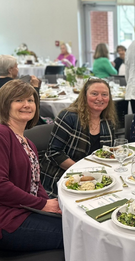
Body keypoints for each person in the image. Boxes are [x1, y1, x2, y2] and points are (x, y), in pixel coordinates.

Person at [0, 79, 63, 251]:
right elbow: (1, 186)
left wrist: (50, 204)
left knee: (73, 223)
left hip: (23, 211)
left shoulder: (27, 142)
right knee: (74, 234)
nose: (26, 105)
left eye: (30, 100)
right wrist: (42, 205)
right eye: (18, 100)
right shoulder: (2, 134)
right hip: (7, 220)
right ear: (5, 105)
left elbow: (35, 184)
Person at [40, 78, 117, 197]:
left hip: (94, 177)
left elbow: (107, 153)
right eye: (94, 94)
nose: (100, 98)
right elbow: (54, 152)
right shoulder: (69, 116)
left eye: (104, 95)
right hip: (62, 176)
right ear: (84, 96)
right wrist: (83, 171)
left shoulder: (107, 122)